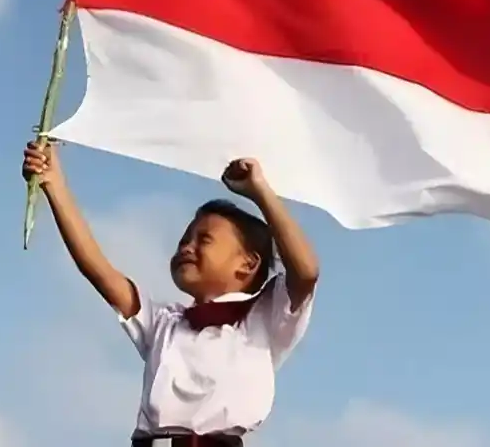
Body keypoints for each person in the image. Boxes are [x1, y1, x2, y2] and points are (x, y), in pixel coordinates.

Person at [22, 142, 320, 447]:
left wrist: (260, 192)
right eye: (184, 240)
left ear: (247, 264)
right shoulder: (165, 322)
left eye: (204, 239)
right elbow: (98, 269)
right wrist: (54, 184)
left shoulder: (265, 317)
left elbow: (306, 271)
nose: (187, 247)